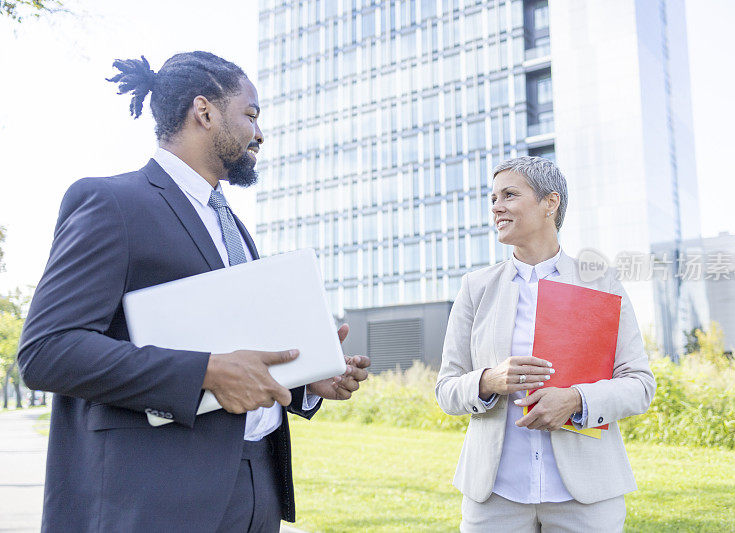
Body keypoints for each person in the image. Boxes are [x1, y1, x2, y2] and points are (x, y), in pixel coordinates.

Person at [18, 51, 370, 533]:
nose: (259, 134)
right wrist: (205, 371)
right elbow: (47, 352)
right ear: (204, 111)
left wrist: (305, 379)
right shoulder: (112, 202)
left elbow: (234, 352)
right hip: (151, 500)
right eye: (251, 114)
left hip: (252, 493)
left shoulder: (234, 228)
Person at [435, 156, 656, 532]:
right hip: (495, 497)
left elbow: (640, 385)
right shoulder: (476, 288)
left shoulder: (601, 283)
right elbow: (446, 389)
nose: (495, 207)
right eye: (493, 198)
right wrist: (489, 380)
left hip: (585, 498)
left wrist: (576, 400)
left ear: (549, 203)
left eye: (509, 195)